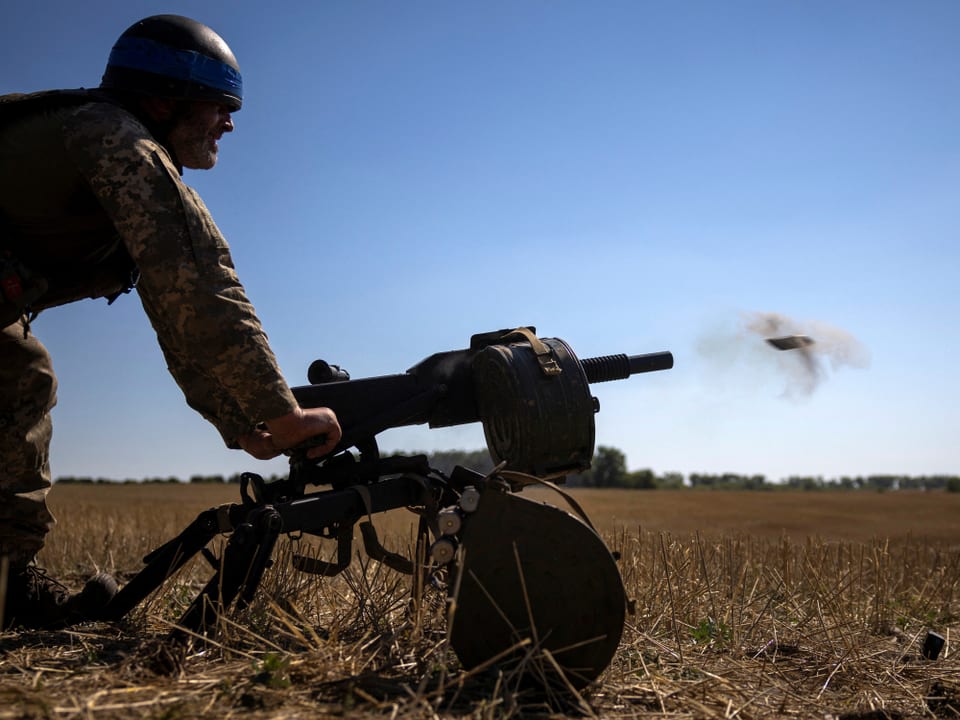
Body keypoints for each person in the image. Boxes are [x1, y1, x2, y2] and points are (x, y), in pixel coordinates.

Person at [0, 15, 341, 629]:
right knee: (23, 371)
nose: (229, 124)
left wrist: (238, 420)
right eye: (219, 106)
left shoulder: (109, 149)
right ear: (165, 100)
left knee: (20, 371)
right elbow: (201, 279)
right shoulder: (116, 140)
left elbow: (173, 305)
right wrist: (280, 410)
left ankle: (3, 583)